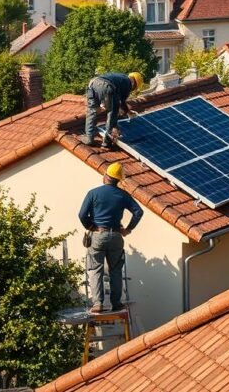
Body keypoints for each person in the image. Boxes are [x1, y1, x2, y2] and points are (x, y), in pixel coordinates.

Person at [78, 162, 143, 314]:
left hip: (98, 235)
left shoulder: (93, 193)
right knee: (115, 270)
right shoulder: (123, 195)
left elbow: (82, 215)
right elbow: (138, 212)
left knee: (95, 269)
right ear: (118, 180)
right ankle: (116, 303)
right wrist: (128, 229)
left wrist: (91, 227)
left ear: (106, 176)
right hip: (116, 236)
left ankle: (98, 304)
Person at [84, 72, 143, 148]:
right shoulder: (128, 83)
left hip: (93, 83)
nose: (132, 89)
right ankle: (107, 142)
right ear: (134, 83)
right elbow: (122, 103)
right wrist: (128, 112)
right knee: (112, 112)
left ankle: (89, 138)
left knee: (92, 111)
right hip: (107, 86)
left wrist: (127, 111)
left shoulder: (120, 77)